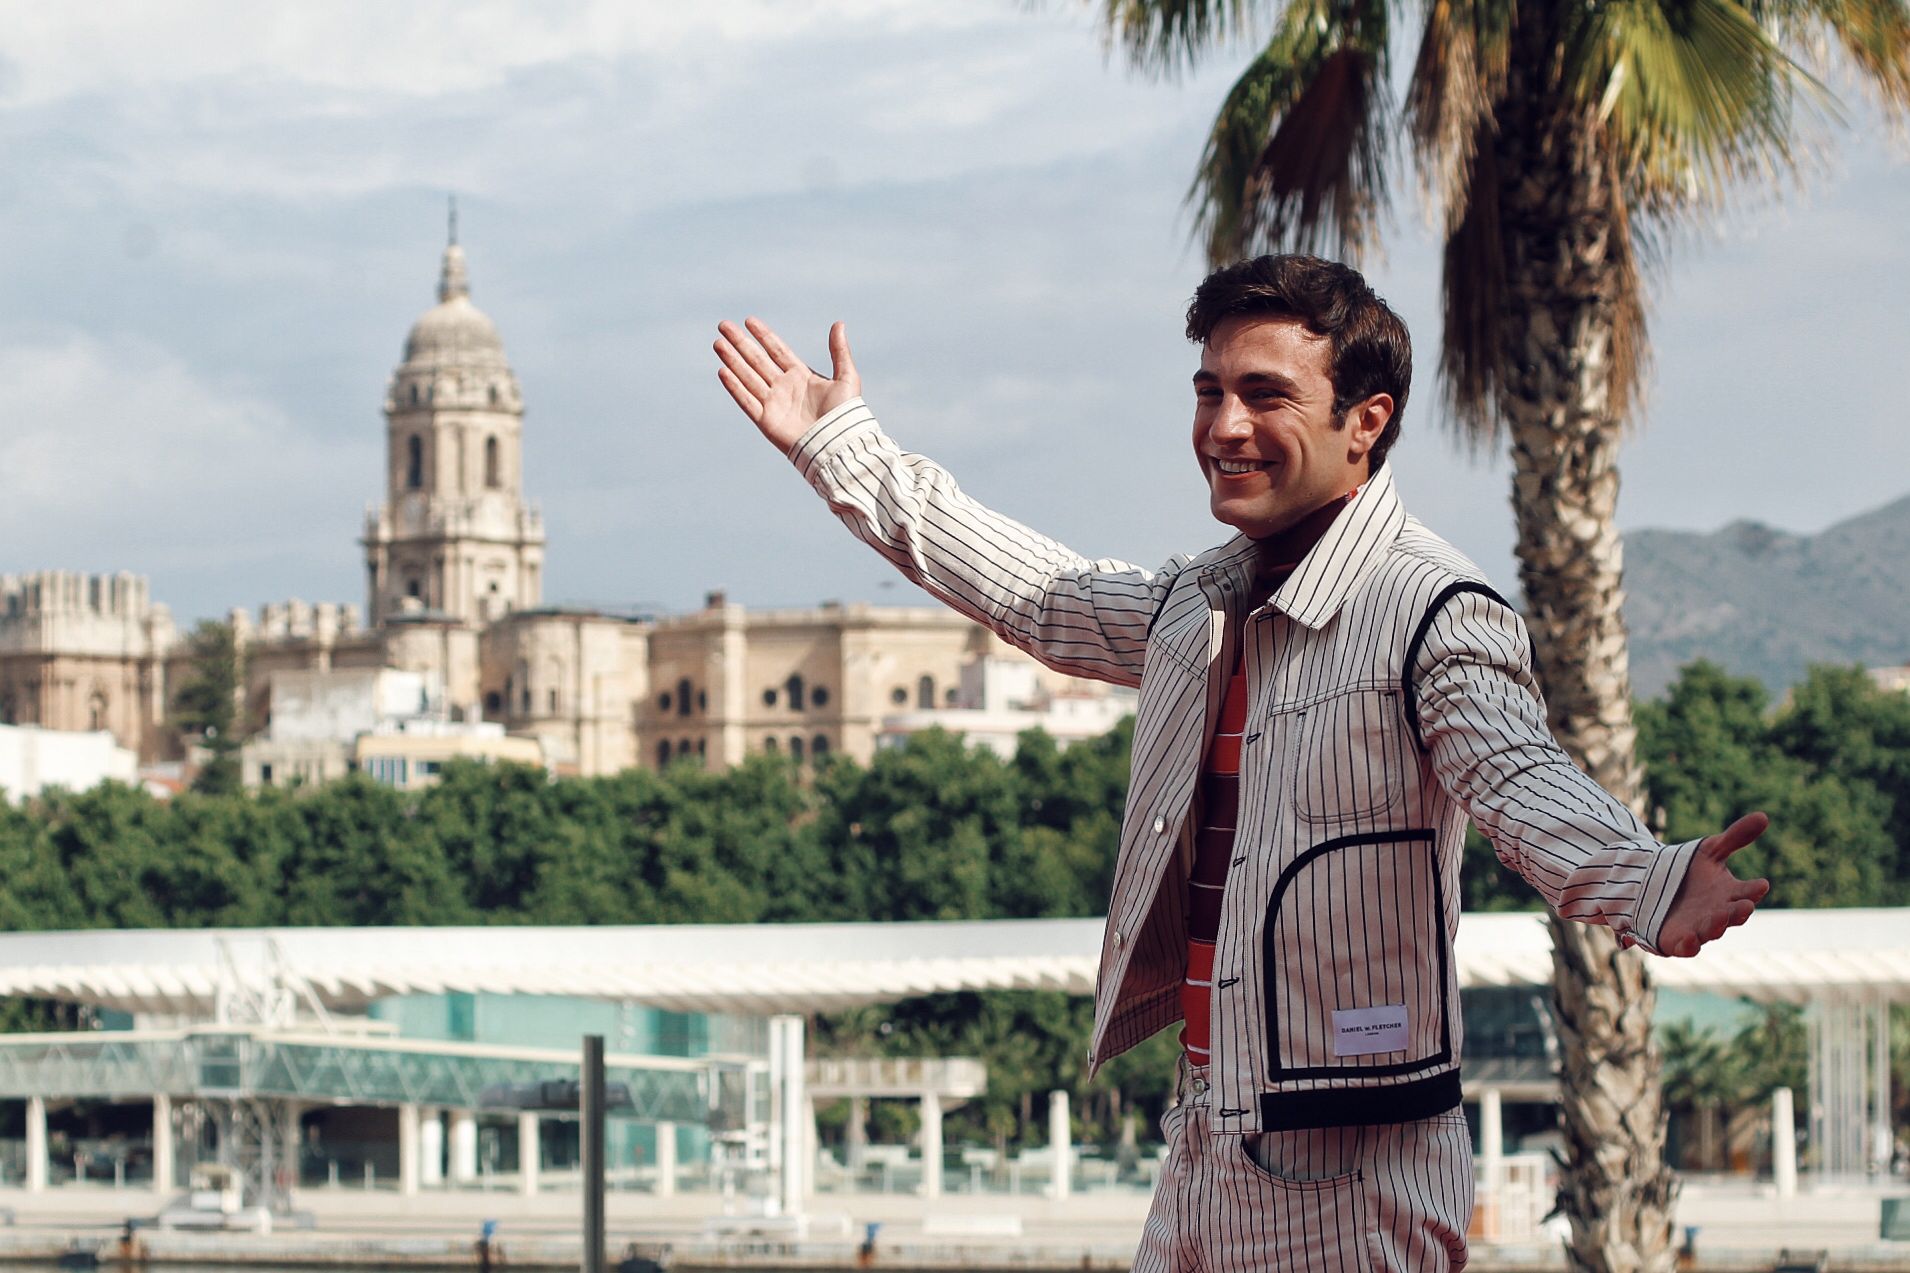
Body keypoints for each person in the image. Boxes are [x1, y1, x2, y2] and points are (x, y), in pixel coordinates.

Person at [714, 254, 1770, 1272]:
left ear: (1366, 421)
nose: (1223, 427)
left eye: (1263, 395)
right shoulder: (1201, 601)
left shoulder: (1430, 611)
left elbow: (1513, 774)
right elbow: (1034, 595)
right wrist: (839, 446)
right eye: (1207, 391)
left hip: (1350, 1161)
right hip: (1206, 1132)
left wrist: (1643, 879)